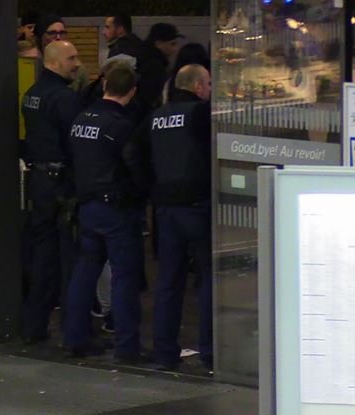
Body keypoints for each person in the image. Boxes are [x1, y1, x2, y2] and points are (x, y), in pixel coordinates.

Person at [63, 64, 151, 360]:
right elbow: (134, 164)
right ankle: (127, 346)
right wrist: (143, 193)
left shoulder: (81, 119)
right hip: (116, 207)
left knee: (85, 272)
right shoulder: (120, 125)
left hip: (87, 204)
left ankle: (75, 337)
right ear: (132, 91)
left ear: (105, 85)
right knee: (124, 276)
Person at [147, 64, 213, 371]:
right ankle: (210, 350)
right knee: (208, 279)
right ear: (198, 86)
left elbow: (137, 153)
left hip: (166, 209)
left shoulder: (157, 116)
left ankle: (164, 351)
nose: (210, 90)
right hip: (198, 205)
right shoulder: (201, 113)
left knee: (168, 282)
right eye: (208, 84)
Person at [20, 41, 85, 344]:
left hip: (39, 180)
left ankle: (34, 325)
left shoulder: (32, 94)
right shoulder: (64, 98)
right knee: (70, 260)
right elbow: (75, 143)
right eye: (71, 58)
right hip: (61, 183)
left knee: (43, 257)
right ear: (54, 62)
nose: (77, 63)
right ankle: (75, 332)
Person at [136, 23, 183, 117]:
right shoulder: (154, 67)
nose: (176, 48)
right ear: (158, 44)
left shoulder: (143, 58)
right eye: (172, 44)